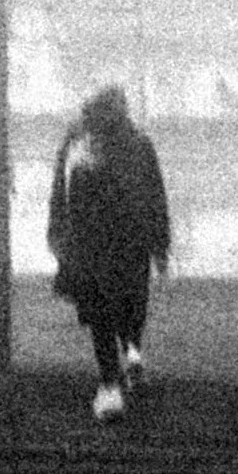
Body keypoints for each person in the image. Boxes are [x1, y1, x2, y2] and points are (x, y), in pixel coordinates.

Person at [47, 85, 171, 422]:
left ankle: (123, 367)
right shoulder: (86, 144)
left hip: (118, 244)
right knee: (111, 311)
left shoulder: (131, 144)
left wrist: (159, 242)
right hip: (104, 246)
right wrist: (159, 244)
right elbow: (62, 191)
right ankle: (113, 378)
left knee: (121, 310)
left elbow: (154, 193)